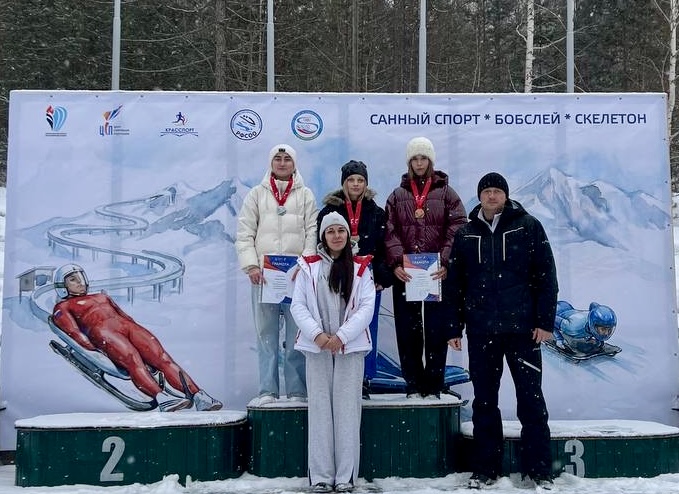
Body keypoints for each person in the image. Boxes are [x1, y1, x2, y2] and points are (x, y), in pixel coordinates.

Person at [446, 172, 558, 489]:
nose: (492, 196)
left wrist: (544, 322)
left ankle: (539, 470)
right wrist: (453, 326)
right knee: (484, 402)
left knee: (531, 400)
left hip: (523, 331)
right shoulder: (466, 234)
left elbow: (546, 275)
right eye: (487, 191)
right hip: (482, 331)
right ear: (480, 196)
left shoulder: (527, 226)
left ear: (506, 196)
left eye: (497, 191)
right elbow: (454, 285)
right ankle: (486, 469)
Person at [51, 263, 222, 412]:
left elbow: (124, 315)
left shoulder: (102, 297)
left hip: (129, 327)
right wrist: (91, 349)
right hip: (104, 334)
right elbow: (73, 332)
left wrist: (136, 330)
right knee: (133, 361)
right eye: (73, 279)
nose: (80, 282)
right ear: (62, 285)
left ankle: (198, 395)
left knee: (162, 358)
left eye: (81, 277)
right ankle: (162, 398)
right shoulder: (63, 307)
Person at [291, 212, 376, 494]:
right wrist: (317, 335)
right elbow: (298, 305)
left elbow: (366, 307)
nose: (336, 236)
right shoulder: (309, 267)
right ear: (323, 237)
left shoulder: (361, 267)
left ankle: (345, 476)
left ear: (348, 235)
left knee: (347, 410)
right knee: (319, 410)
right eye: (331, 231)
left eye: (341, 230)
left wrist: (341, 337)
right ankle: (321, 476)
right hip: (317, 348)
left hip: (349, 348)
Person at [384, 136, 467, 399]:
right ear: (409, 163)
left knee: (436, 329)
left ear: (431, 161)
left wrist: (445, 261)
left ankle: (433, 384)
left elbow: (458, 228)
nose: (419, 163)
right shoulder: (397, 196)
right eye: (414, 159)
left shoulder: (447, 194)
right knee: (407, 331)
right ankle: (413, 383)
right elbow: (389, 231)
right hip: (406, 275)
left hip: (435, 274)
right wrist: (397, 263)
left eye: (423, 158)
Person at [236, 143, 318, 406]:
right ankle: (267, 391)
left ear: (294, 164)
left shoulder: (305, 195)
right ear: (271, 163)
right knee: (266, 335)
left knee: (296, 335)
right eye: (278, 159)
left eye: (287, 159)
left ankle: (297, 391)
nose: (282, 163)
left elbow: (312, 232)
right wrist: (251, 265)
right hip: (264, 277)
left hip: (295, 277)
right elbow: (245, 233)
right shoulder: (256, 195)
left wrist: (305, 264)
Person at [317, 160, 392, 399]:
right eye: (351, 180)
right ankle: (337, 376)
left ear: (366, 183)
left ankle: (365, 379)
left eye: (360, 180)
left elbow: (384, 248)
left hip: (368, 279)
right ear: (344, 183)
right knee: (338, 325)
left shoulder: (376, 213)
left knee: (367, 327)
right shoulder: (329, 212)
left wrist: (382, 276)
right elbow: (320, 244)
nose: (356, 184)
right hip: (337, 278)